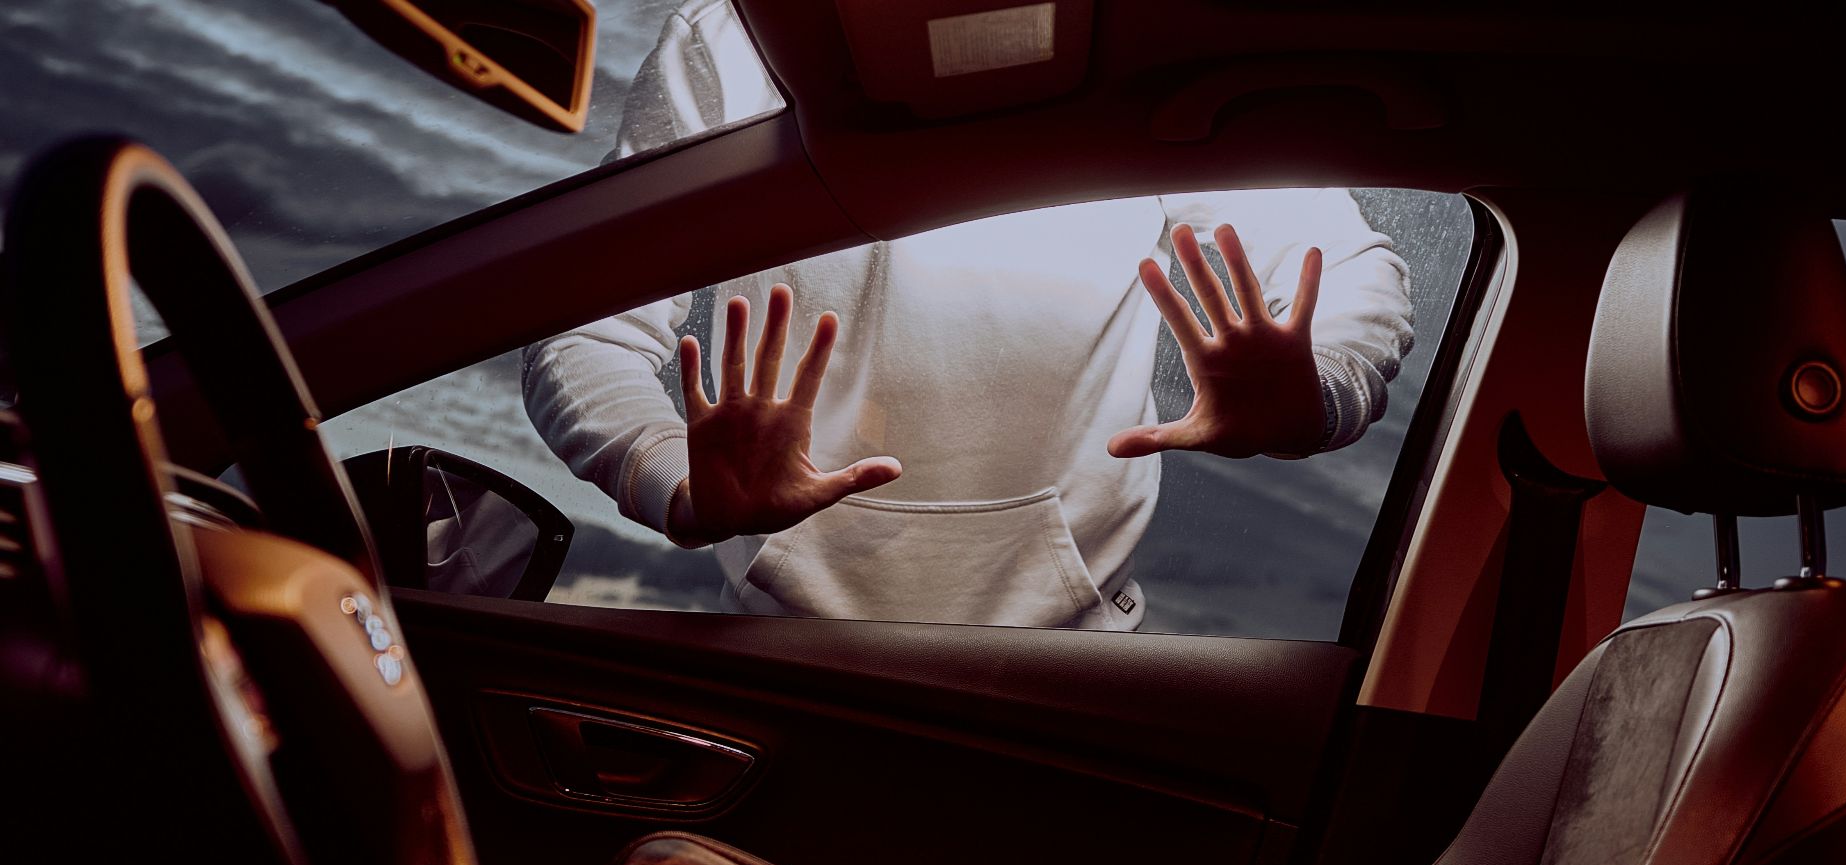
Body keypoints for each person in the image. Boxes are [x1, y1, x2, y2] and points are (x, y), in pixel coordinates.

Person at [524, 0, 1414, 629]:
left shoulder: (1146, 35)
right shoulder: (740, 38)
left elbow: (1351, 268)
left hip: (1076, 660)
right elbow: (581, 323)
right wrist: (677, 481)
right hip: (782, 644)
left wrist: (1318, 393)